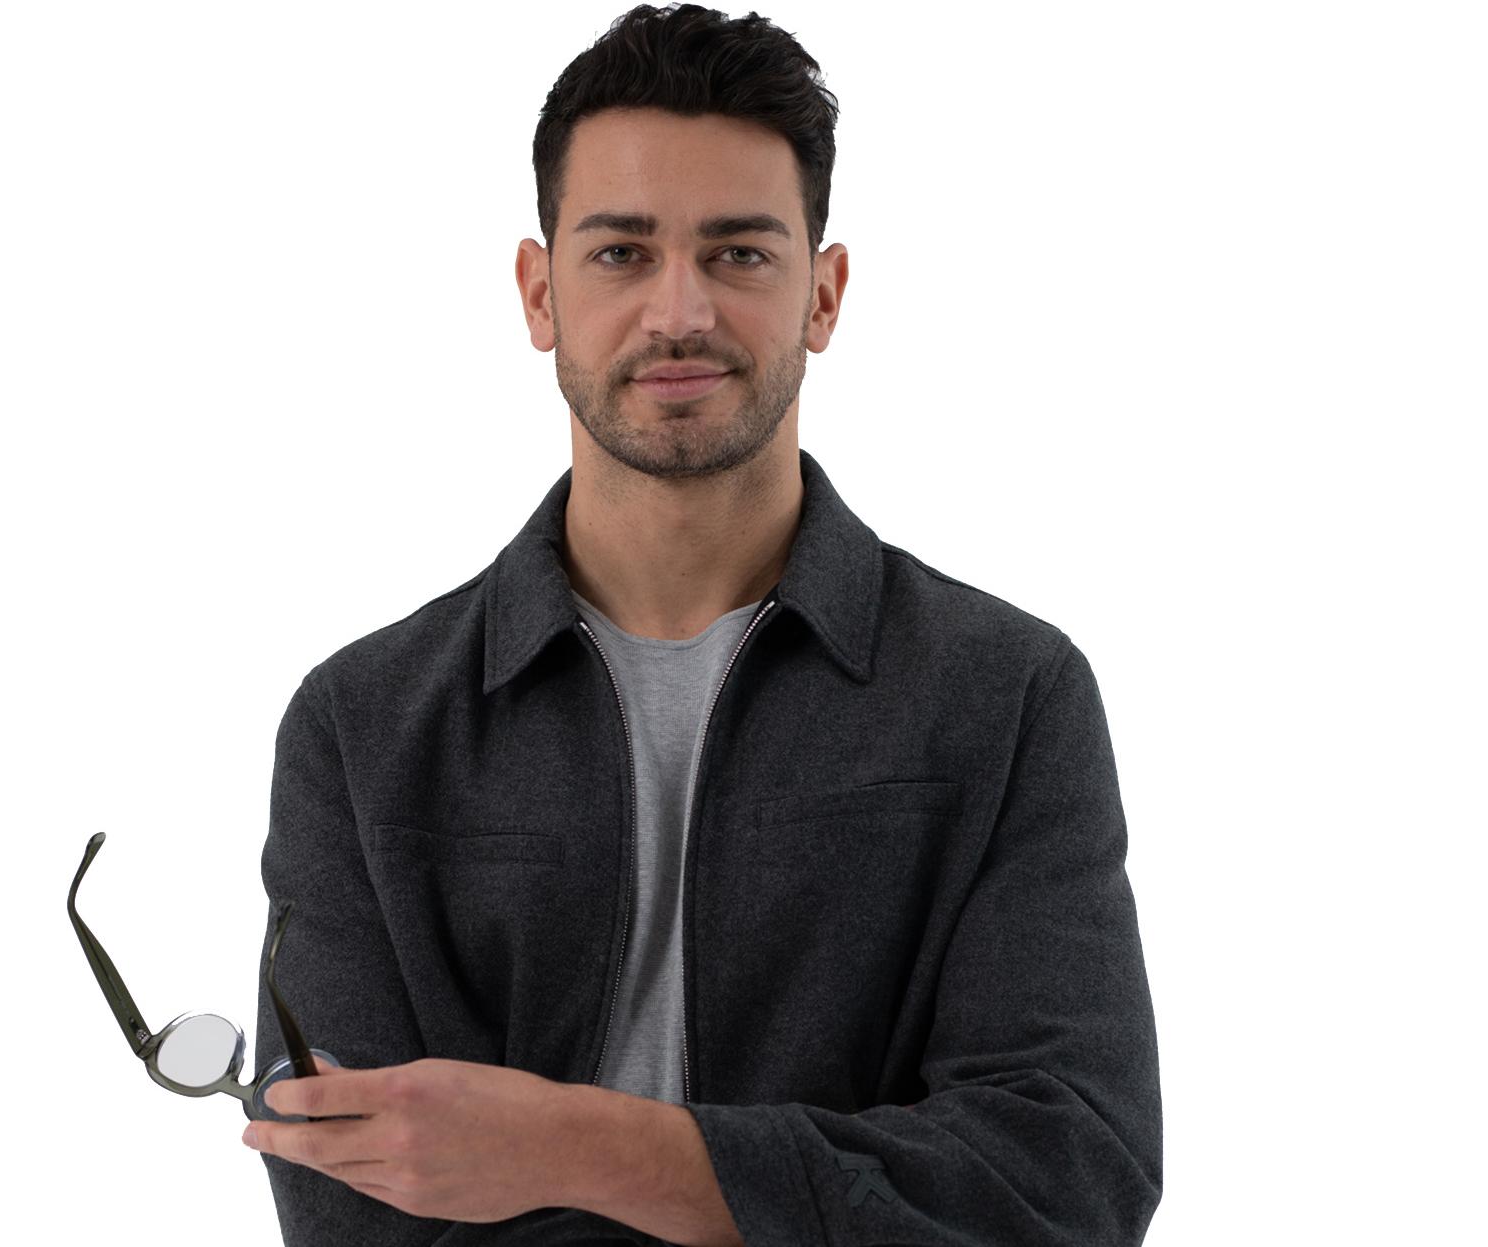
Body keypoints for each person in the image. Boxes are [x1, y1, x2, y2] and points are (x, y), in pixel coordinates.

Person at [243, 5, 1163, 1244]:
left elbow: (1065, 1176)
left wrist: (568, 1144)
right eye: (622, 253)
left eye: (739, 254)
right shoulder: (360, 726)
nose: (680, 313)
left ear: (823, 294)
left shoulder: (1009, 695)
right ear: (539, 291)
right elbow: (354, 1209)